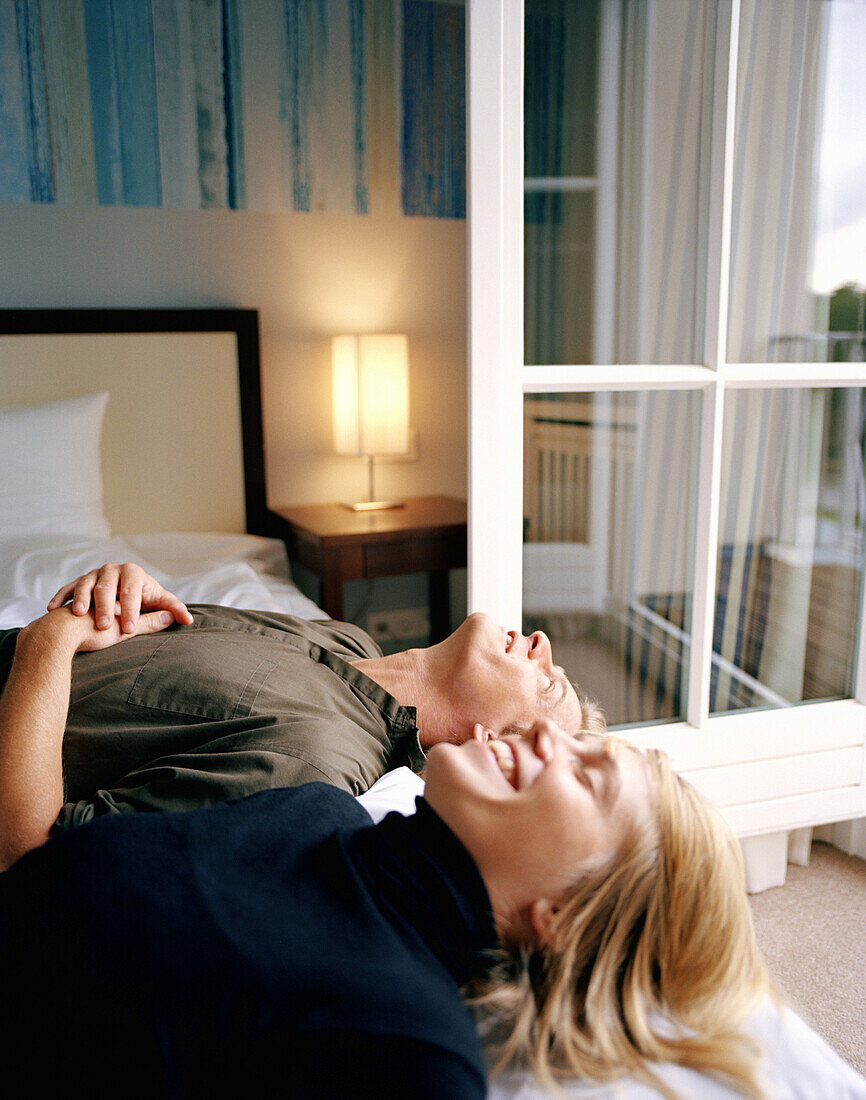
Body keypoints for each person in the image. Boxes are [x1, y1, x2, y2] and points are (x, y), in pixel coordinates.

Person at [0, 633, 773, 1100]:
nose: (546, 739)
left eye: (587, 776)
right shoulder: (317, 814)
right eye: (572, 739)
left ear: (564, 914)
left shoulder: (410, 1048)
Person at [0, 562, 602, 871]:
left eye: (547, 685)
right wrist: (117, 597)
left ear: (491, 743)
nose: (543, 641)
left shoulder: (313, 766)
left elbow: (30, 853)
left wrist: (47, 645)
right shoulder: (348, 640)